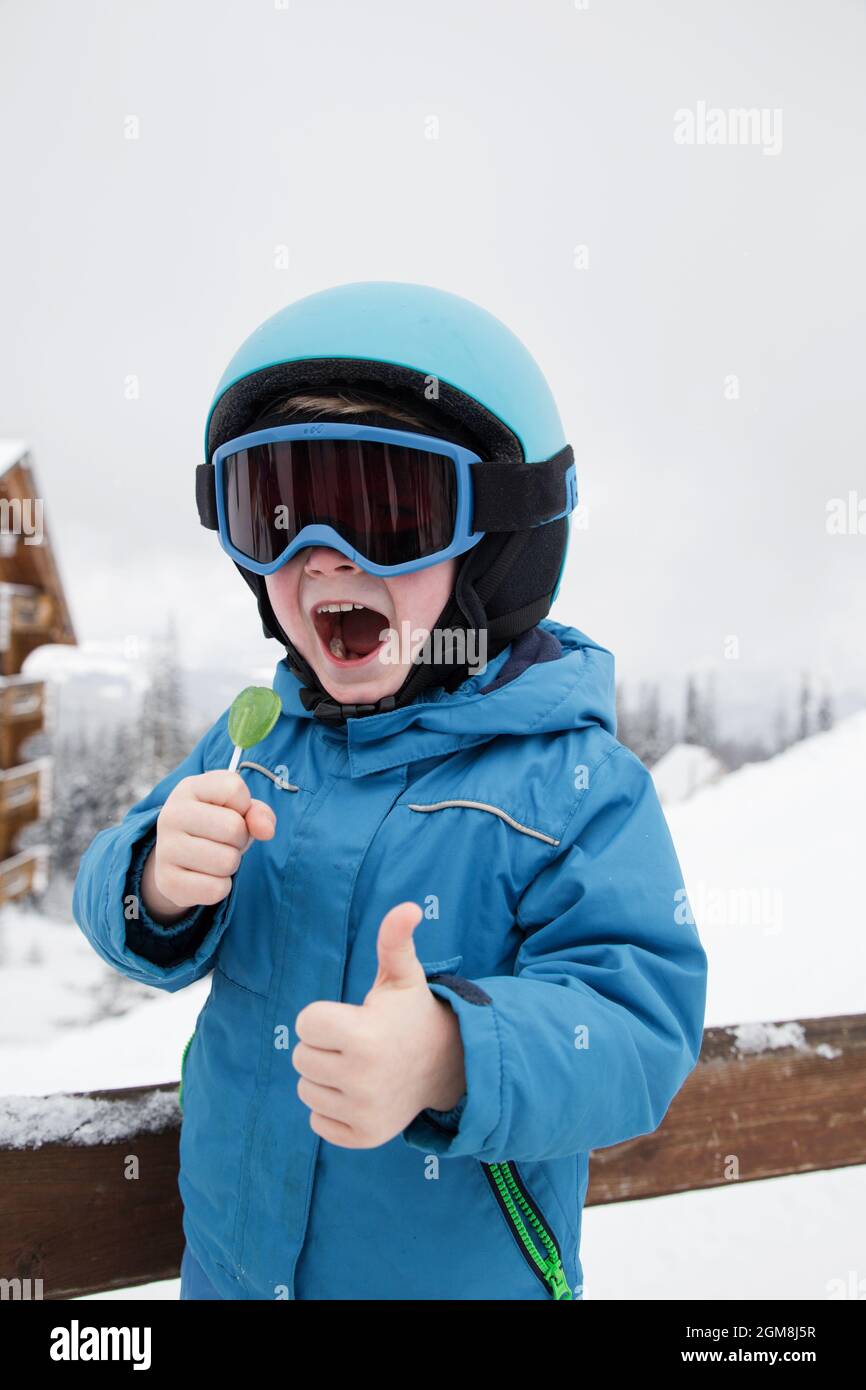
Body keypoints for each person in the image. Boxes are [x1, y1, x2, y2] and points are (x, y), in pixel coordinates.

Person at [73, 280, 708, 1301]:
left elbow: (639, 1028)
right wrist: (150, 879)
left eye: (384, 508)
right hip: (231, 1276)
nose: (319, 552)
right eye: (271, 509)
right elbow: (115, 917)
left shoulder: (569, 782)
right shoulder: (257, 740)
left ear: (502, 539)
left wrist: (453, 1055)